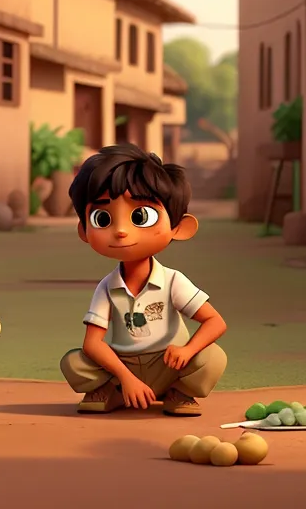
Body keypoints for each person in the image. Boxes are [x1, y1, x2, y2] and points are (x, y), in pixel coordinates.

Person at [59, 144, 228, 416]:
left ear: (179, 227)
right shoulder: (107, 287)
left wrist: (187, 351)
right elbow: (92, 343)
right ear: (84, 230)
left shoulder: (173, 281)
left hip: (169, 363)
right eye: (103, 218)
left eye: (140, 216)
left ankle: (178, 393)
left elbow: (215, 322)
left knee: (213, 358)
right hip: (120, 366)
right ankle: (114, 392)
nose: (122, 231)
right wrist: (125, 377)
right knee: (74, 362)